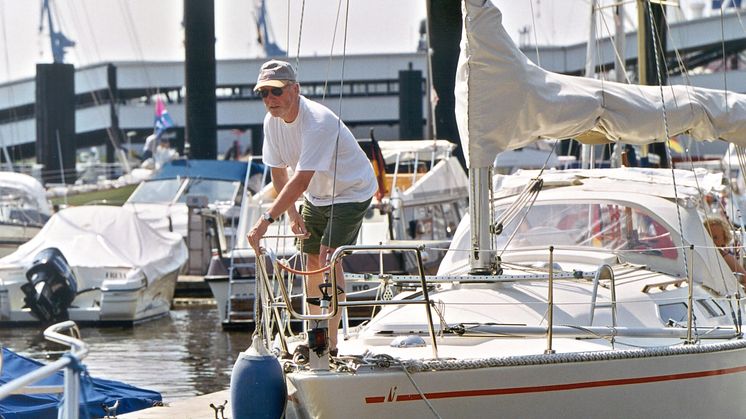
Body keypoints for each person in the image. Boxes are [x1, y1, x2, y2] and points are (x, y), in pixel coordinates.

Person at [246, 59, 377, 354]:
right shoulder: (271, 123)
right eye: (264, 93)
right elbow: (278, 171)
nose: (270, 99)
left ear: (295, 90)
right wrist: (292, 214)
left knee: (329, 257)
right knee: (310, 260)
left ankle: (329, 343)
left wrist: (266, 219)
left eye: (276, 91)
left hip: (351, 190)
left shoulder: (317, 121)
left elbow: (300, 180)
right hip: (317, 196)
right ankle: (313, 333)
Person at [703, 216, 746, 286]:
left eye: (715, 237)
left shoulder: (726, 258)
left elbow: (744, 279)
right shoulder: (701, 254)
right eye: (708, 236)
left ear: (724, 239)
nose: (711, 240)